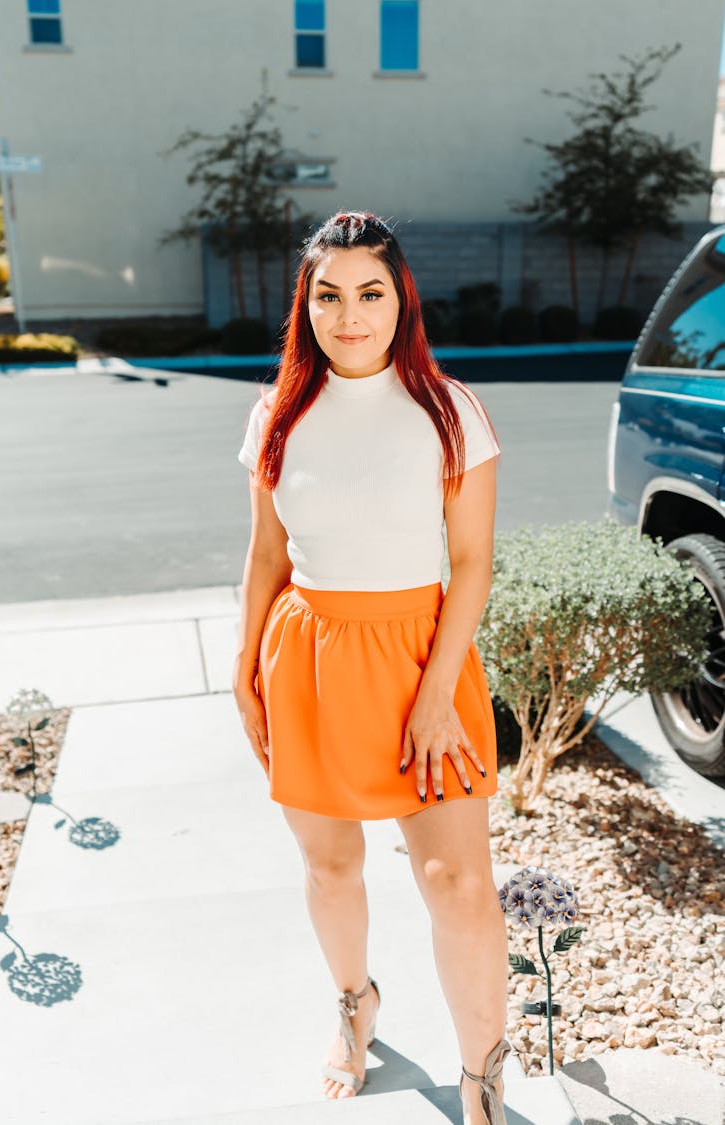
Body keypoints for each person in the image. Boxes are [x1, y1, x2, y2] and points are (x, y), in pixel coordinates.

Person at [232, 211, 511, 1125]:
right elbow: (267, 555)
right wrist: (245, 665)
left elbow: (471, 563)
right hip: (307, 658)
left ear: (401, 300)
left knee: (459, 885)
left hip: (423, 658)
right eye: (329, 294)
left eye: (370, 292)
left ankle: (483, 1082)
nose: (350, 315)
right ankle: (355, 1005)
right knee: (330, 865)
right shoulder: (276, 414)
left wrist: (436, 697)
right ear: (305, 304)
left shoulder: (449, 409)